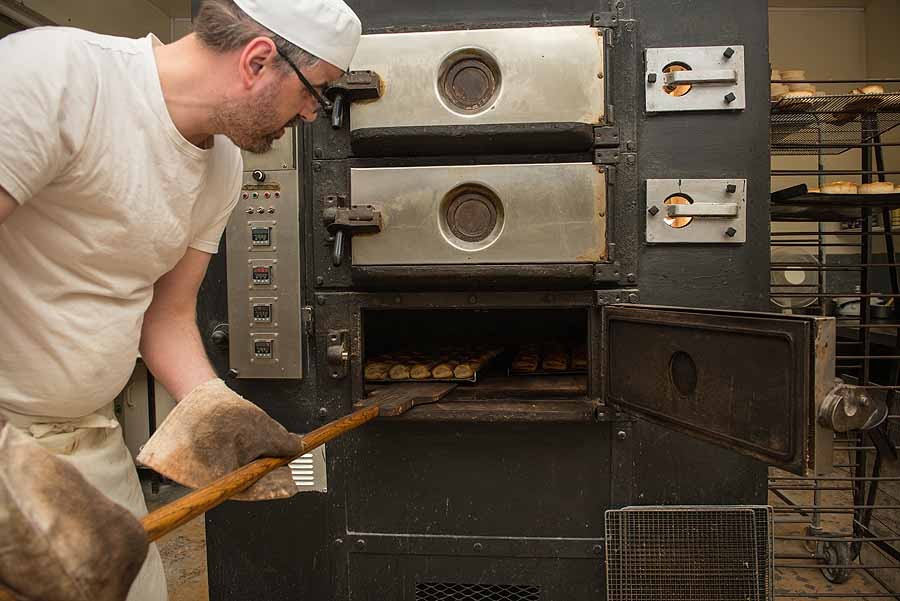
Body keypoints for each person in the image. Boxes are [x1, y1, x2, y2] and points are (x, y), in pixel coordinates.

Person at [0, 1, 361, 599]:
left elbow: (165, 316)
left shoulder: (221, 166)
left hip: (87, 445)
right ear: (258, 59)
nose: (310, 116)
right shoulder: (57, 77)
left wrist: (215, 411)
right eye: (314, 94)